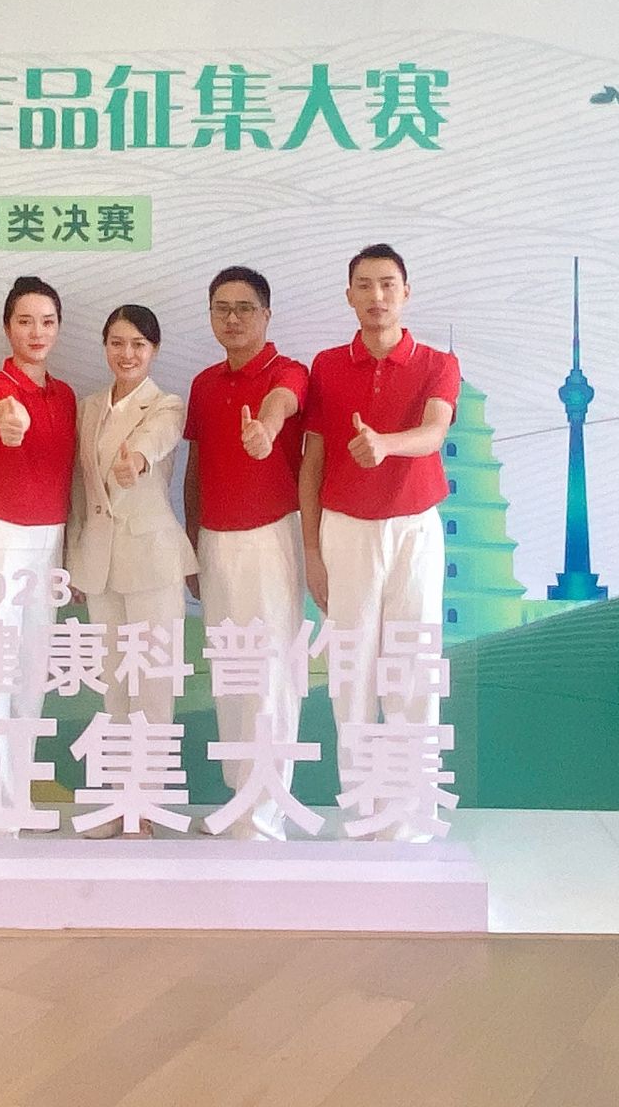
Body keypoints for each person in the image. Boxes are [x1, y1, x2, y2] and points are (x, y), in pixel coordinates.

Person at [299, 243, 460, 833]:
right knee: (351, 673)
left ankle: (411, 816)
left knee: (413, 668)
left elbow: (435, 431)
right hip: (344, 530)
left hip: (414, 529)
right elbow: (313, 461)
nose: (377, 296)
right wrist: (311, 550)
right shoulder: (326, 366)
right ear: (349, 296)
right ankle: (365, 812)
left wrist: (386, 444)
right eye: (364, 285)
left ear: (406, 292)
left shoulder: (438, 363)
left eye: (388, 284)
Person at [183, 266, 310, 839]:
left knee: (270, 674)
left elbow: (283, 403)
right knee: (231, 673)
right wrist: (193, 541)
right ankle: (241, 800)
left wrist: (266, 425)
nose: (232, 319)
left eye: (244, 308)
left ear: (266, 315)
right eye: (221, 308)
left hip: (270, 537)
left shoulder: (288, 372)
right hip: (215, 541)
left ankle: (266, 813)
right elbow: (195, 470)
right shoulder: (205, 384)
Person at [0, 275, 79, 835]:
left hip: (46, 539)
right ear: (7, 328)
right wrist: (13, 422)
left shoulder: (66, 396)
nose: (37, 332)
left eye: (47, 322)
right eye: (25, 321)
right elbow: (6, 416)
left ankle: (17, 795)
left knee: (31, 672)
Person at [68, 305, 199, 762]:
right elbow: (80, 490)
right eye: (117, 343)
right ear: (105, 347)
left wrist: (136, 461)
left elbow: (155, 440)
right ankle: (120, 789)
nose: (127, 354)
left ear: (154, 349)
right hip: (99, 563)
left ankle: (147, 793)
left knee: (152, 685)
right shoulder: (88, 408)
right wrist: (74, 562)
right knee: (114, 684)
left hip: (151, 562)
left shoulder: (167, 405)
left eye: (138, 344)